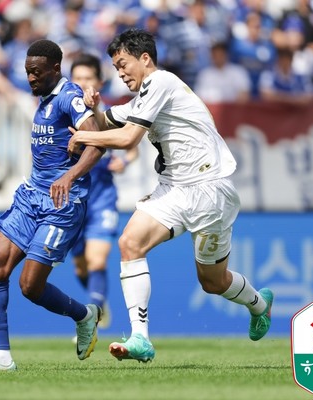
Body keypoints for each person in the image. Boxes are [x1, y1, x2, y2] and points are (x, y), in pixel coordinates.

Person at [68, 28, 273, 363]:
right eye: (116, 67)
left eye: (123, 63)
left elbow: (129, 137)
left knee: (212, 281)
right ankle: (140, 339)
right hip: (176, 188)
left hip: (210, 188)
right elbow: (106, 122)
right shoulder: (144, 98)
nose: (119, 72)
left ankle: (259, 304)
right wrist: (91, 110)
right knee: (129, 243)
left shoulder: (161, 82)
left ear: (145, 59)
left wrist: (83, 140)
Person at [0, 39, 105, 372]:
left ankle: (84, 315)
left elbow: (97, 144)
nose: (30, 78)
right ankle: (1, 358)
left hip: (62, 202)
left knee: (29, 286)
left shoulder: (68, 98)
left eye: (36, 72)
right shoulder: (45, 97)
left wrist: (69, 177)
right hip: (31, 196)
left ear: (55, 69)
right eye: (28, 72)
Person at [69, 53, 138, 330]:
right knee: (81, 267)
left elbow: (132, 143)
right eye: (78, 78)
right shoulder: (62, 111)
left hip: (101, 197)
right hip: (72, 199)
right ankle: (100, 302)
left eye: (88, 78)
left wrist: (125, 160)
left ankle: (93, 317)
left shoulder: (108, 111)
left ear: (99, 81)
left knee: (97, 259)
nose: (83, 83)